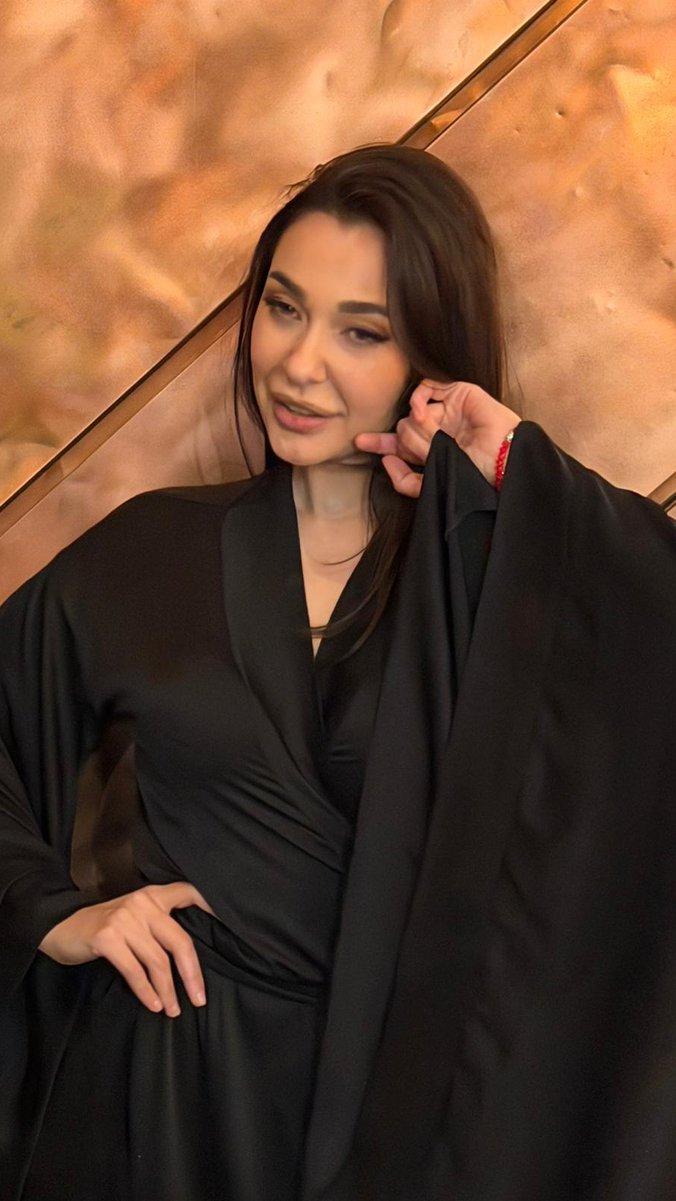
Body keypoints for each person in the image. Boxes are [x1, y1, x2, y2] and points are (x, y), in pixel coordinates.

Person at [1, 144, 675, 1201]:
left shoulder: (495, 592)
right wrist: (51, 908)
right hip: (157, 1111)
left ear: (432, 357)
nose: (299, 363)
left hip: (400, 1126)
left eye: (361, 330)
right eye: (283, 308)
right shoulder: (147, 552)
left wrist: (516, 468)